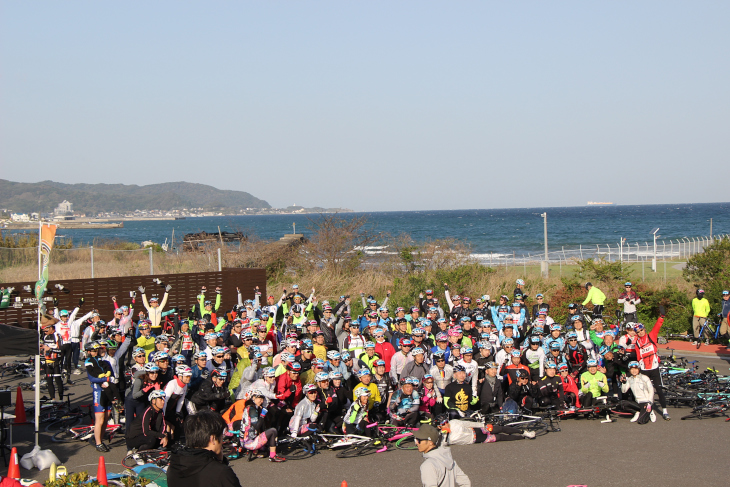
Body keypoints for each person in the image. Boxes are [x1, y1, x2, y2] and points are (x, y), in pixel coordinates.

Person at [167, 409, 242, 487]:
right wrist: (219, 462)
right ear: (212, 439)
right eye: (221, 437)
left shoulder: (175, 466)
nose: (222, 442)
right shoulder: (221, 473)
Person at [634, 310, 670, 420]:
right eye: (638, 331)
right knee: (645, 391)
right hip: (645, 369)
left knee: (659, 390)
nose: (640, 332)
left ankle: (664, 411)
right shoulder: (637, 343)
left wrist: (662, 317)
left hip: (654, 368)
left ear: (644, 329)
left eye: (641, 330)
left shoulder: (651, 336)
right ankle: (647, 410)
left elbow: (657, 327)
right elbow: (638, 356)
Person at [126, 389, 168, 454]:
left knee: (166, 438)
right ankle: (138, 454)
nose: (163, 402)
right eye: (161, 400)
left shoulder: (160, 411)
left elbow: (163, 426)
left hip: (144, 436)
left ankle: (153, 452)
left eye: (164, 400)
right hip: (133, 437)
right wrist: (162, 436)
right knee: (151, 440)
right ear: (153, 401)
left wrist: (165, 435)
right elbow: (146, 431)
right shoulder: (148, 412)